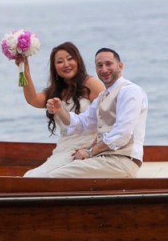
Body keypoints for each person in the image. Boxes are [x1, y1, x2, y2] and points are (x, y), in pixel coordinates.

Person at [45, 47, 148, 178]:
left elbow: (122, 134)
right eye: (99, 66)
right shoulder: (102, 97)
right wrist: (60, 110)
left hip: (122, 161)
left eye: (108, 64)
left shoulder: (130, 91)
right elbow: (82, 123)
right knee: (53, 172)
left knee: (53, 178)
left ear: (120, 66)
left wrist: (89, 151)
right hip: (103, 159)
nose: (104, 69)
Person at [17, 42, 105, 177]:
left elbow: (107, 119)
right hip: (65, 148)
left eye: (70, 59)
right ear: (54, 67)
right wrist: (24, 68)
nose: (66, 64)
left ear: (78, 60)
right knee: (30, 177)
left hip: (87, 148)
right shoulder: (55, 91)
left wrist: (91, 149)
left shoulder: (90, 83)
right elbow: (32, 99)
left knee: (34, 177)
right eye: (60, 61)